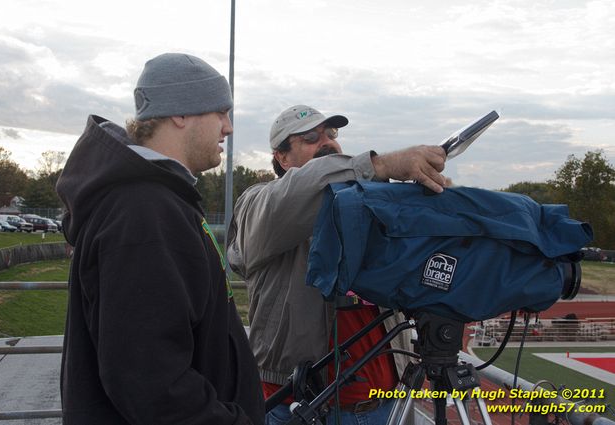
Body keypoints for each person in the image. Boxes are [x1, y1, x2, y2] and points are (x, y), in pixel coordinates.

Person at [56, 53, 264, 425]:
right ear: (180, 114)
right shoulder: (143, 211)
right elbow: (149, 382)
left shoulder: (159, 200)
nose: (229, 128)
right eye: (221, 112)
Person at [227, 105, 447, 424]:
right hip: (297, 407)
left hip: (385, 406)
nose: (328, 142)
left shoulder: (361, 202)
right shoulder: (257, 202)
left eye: (331, 134)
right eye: (311, 138)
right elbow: (292, 197)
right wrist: (381, 164)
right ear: (282, 157)